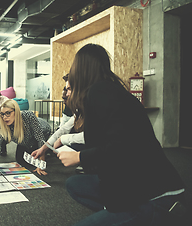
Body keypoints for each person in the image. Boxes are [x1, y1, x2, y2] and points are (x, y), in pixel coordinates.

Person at [58, 44, 185, 225]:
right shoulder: (106, 91)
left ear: (82, 69)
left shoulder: (100, 93)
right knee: (75, 184)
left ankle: (148, 217)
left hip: (157, 195)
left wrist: (79, 157)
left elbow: (122, 148)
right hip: (134, 181)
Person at [0, 99, 51, 175]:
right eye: (2, 114)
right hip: (24, 140)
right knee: (21, 160)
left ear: (15, 111)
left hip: (43, 131)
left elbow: (40, 139)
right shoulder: (5, 124)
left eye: (8, 113)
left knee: (38, 158)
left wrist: (41, 164)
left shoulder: (29, 116)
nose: (5, 117)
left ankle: (49, 150)